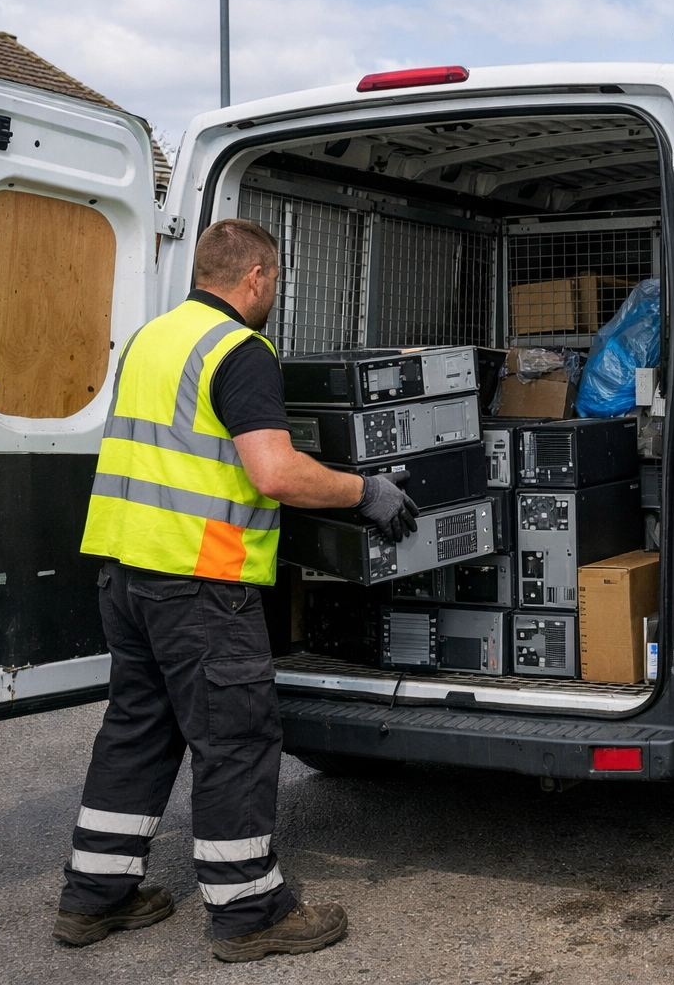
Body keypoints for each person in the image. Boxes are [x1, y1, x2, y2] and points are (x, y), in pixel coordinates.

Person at [50, 218, 416, 961]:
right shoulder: (240, 351)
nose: (274, 293)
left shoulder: (153, 339)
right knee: (236, 740)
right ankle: (250, 911)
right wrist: (363, 493)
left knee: (138, 730)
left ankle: (96, 897)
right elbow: (274, 473)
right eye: (275, 280)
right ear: (254, 277)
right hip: (201, 582)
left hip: (128, 573)